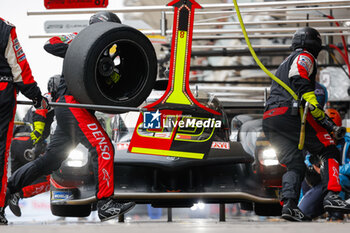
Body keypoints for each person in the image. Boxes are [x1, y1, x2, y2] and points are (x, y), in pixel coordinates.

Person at [6, 11, 135, 222]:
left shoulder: (106, 56)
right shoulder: (83, 39)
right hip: (72, 104)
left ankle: (10, 189)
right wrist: (84, 43)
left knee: (51, 160)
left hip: (75, 108)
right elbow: (51, 43)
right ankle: (105, 203)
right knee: (103, 146)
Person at [262, 27, 350, 222]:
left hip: (270, 119)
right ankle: (332, 196)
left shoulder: (284, 62)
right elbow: (299, 75)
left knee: (294, 164)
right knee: (329, 149)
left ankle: (290, 205)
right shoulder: (305, 56)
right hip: (290, 113)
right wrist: (313, 103)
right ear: (315, 43)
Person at [0, 17, 49, 225]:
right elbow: (19, 67)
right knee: (0, 154)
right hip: (2, 92)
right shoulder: (4, 27)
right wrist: (36, 97)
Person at [7, 75, 60, 217]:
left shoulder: (42, 98)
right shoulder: (50, 98)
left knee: (12, 183)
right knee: (53, 178)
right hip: (31, 143)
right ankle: (18, 194)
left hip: (17, 142)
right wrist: (38, 132)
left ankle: (5, 204)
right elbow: (40, 112)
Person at [298, 109, 350, 220]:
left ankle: (335, 215)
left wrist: (329, 169)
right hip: (322, 180)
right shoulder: (317, 140)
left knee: (336, 178)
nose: (331, 137)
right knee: (303, 174)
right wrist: (314, 167)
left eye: (333, 133)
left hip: (343, 180)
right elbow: (308, 159)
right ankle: (300, 210)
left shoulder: (348, 143)